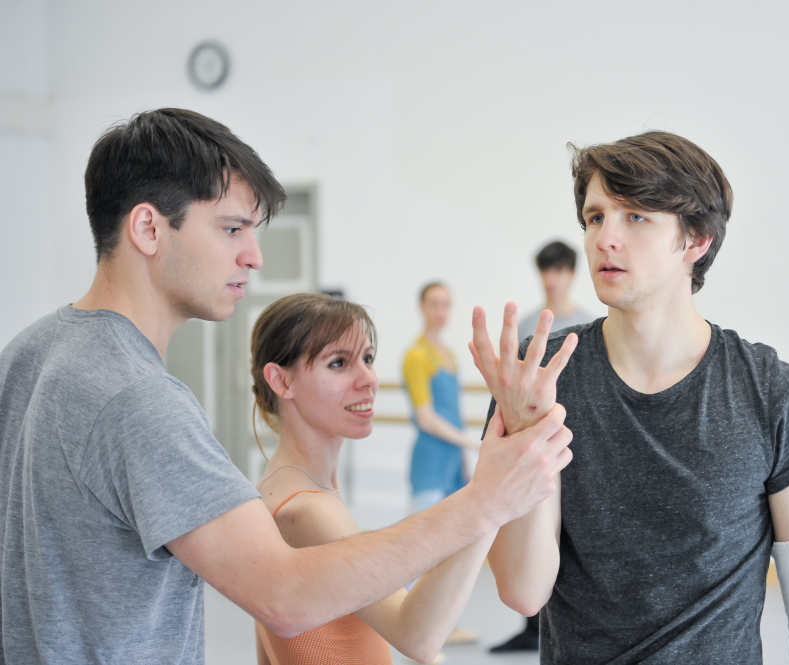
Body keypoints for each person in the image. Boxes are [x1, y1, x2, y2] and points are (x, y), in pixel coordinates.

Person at [0, 108, 572, 664]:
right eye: (231, 229)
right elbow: (284, 594)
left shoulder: (28, 352)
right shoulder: (139, 399)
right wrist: (484, 500)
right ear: (149, 227)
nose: (253, 257)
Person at [471, 132, 789, 664]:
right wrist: (525, 435)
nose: (605, 239)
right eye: (595, 218)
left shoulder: (773, 393)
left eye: (636, 217)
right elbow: (522, 590)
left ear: (696, 240)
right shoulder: (539, 376)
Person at [250, 293, 496, 664]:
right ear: (281, 381)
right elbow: (418, 636)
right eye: (338, 363)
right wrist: (491, 497)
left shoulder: (279, 489)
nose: (368, 379)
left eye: (367, 359)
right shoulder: (307, 510)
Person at [491, 240, 593, 654]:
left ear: (570, 274)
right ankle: (531, 628)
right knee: (528, 532)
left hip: (576, 442)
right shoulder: (530, 324)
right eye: (546, 271)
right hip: (535, 445)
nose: (552, 279)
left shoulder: (591, 324)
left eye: (559, 271)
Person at [404, 283, 481, 514]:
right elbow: (425, 418)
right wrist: (470, 443)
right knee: (423, 544)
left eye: (445, 305)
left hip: (454, 463)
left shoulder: (449, 355)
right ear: (422, 308)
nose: (440, 311)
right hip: (431, 462)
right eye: (434, 304)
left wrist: (464, 460)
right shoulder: (416, 356)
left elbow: (455, 414)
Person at [516, 241, 594, 344]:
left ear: (572, 274)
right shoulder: (524, 326)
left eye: (558, 269)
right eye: (545, 269)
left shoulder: (591, 327)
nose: (550, 279)